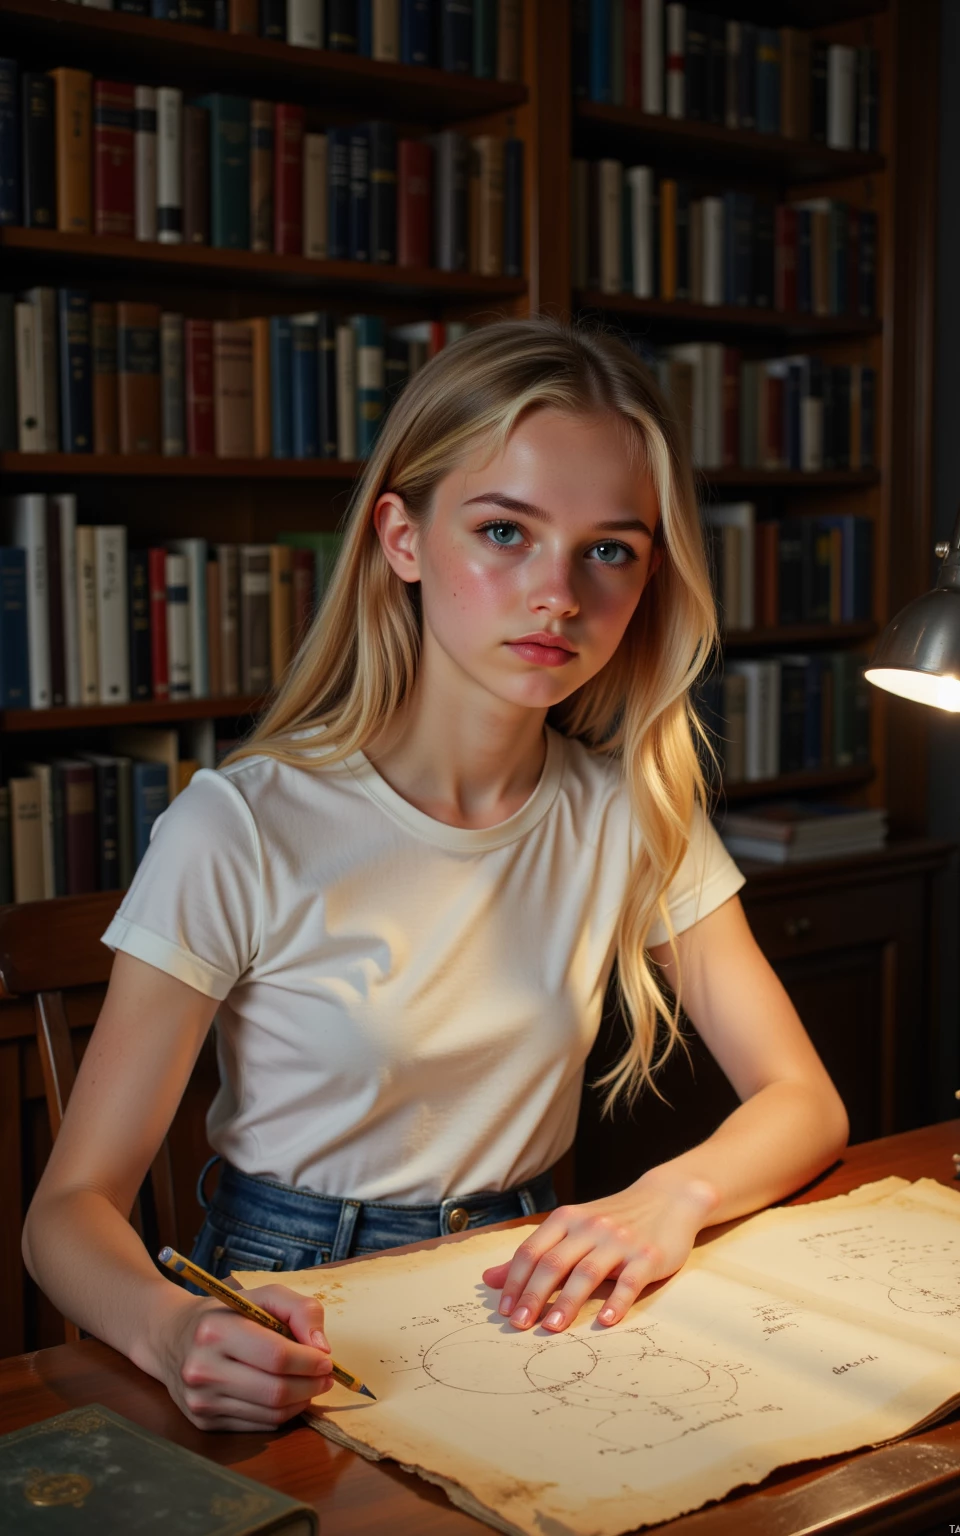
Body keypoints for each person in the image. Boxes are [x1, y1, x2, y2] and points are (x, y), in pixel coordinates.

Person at [22, 318, 848, 1433]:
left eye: (609, 549)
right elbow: (67, 1212)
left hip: (532, 1283)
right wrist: (171, 1330)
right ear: (401, 539)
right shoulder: (243, 826)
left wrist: (667, 1199)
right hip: (297, 1300)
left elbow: (803, 1100)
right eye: (505, 530)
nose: (557, 593)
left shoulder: (629, 812)